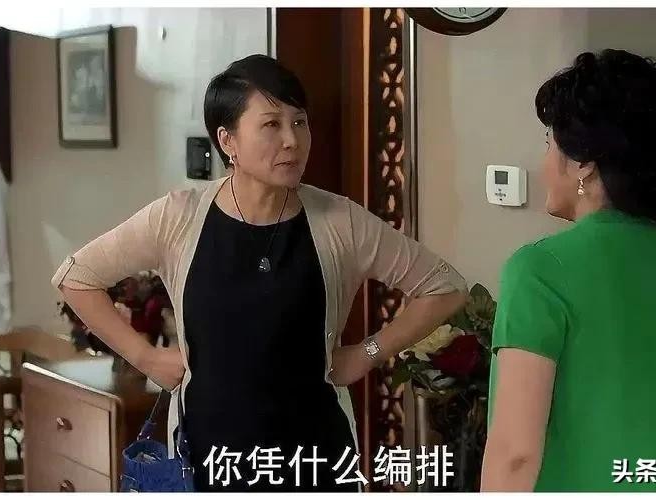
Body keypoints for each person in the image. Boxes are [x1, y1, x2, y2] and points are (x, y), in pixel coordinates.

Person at [52, 54, 467, 492]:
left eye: (300, 122)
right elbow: (76, 277)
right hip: (210, 461)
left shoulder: (339, 221)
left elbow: (444, 288)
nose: (292, 140)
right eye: (271, 124)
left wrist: (367, 353)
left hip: (316, 461)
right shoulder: (178, 218)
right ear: (227, 139)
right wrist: (146, 357)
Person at [479, 49, 656, 492]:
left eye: (548, 144)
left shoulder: (539, 271)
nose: (543, 162)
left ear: (583, 162)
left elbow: (516, 455)